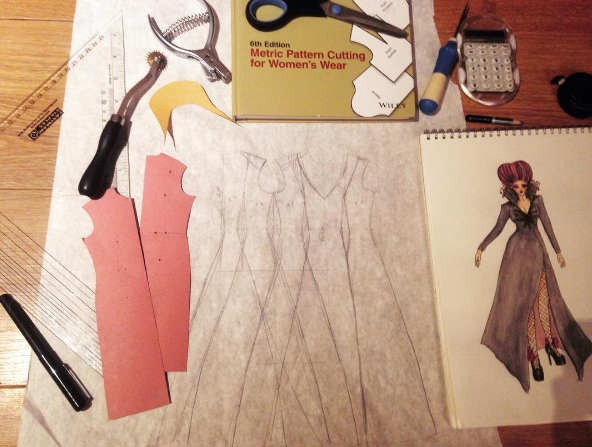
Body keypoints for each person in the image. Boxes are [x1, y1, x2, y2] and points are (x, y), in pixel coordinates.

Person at [475, 160, 592, 392]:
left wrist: (558, 252)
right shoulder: (507, 208)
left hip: (538, 253)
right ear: (510, 186)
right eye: (516, 186)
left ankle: (550, 345)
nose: (520, 189)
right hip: (517, 257)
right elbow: (497, 229)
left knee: (544, 301)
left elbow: (547, 225)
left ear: (528, 183)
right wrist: (481, 248)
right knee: (526, 306)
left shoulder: (538, 201)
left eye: (523, 185)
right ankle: (534, 359)